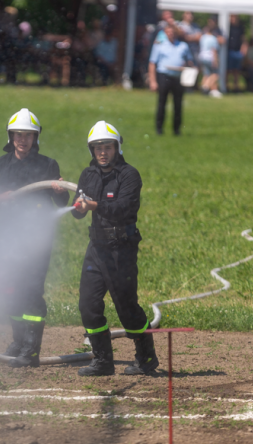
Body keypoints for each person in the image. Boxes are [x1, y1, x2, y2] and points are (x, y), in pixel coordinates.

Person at [0, 109, 69, 368]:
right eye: (18, 134)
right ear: (10, 135)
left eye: (28, 135)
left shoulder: (47, 165)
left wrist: (60, 191)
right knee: (10, 289)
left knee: (31, 291)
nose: (22, 140)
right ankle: (17, 341)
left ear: (36, 137)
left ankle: (31, 348)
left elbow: (62, 200)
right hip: (5, 238)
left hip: (36, 239)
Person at [71, 121, 157, 377]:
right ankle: (103, 360)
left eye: (107, 147)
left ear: (117, 147)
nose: (102, 153)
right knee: (88, 304)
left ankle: (146, 357)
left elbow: (123, 210)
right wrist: (78, 207)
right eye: (97, 148)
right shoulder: (88, 175)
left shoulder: (129, 175)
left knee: (126, 306)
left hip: (122, 248)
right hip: (96, 248)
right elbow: (78, 213)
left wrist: (94, 205)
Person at [148, 25, 193, 136]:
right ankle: (159, 129)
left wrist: (188, 67)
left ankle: (176, 130)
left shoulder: (183, 46)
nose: (170, 34)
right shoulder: (160, 46)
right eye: (168, 32)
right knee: (162, 103)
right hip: (164, 75)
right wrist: (153, 81)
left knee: (178, 105)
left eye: (172, 32)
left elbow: (189, 61)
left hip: (178, 77)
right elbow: (152, 63)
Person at [198, 23, 221, 97]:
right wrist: (215, 60)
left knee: (206, 74)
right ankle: (205, 86)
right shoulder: (213, 38)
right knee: (215, 74)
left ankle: (204, 89)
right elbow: (214, 50)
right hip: (209, 57)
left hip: (202, 56)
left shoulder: (203, 37)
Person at [226, 14, 246, 92]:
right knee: (227, 70)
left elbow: (243, 39)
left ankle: (236, 86)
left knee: (236, 70)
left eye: (234, 17)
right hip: (228, 51)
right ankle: (226, 85)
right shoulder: (226, 26)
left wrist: (243, 49)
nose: (233, 18)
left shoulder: (240, 28)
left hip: (237, 51)